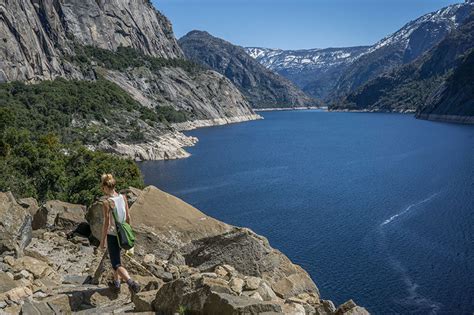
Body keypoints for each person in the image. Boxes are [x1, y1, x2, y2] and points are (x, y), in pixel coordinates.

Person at [99, 173, 141, 293]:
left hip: (112, 235)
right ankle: (116, 283)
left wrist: (102, 241)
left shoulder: (107, 202)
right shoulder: (123, 197)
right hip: (123, 233)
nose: (102, 190)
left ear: (106, 187)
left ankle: (130, 282)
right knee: (116, 259)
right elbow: (128, 217)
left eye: (102, 187)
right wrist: (129, 232)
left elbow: (106, 223)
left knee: (116, 264)